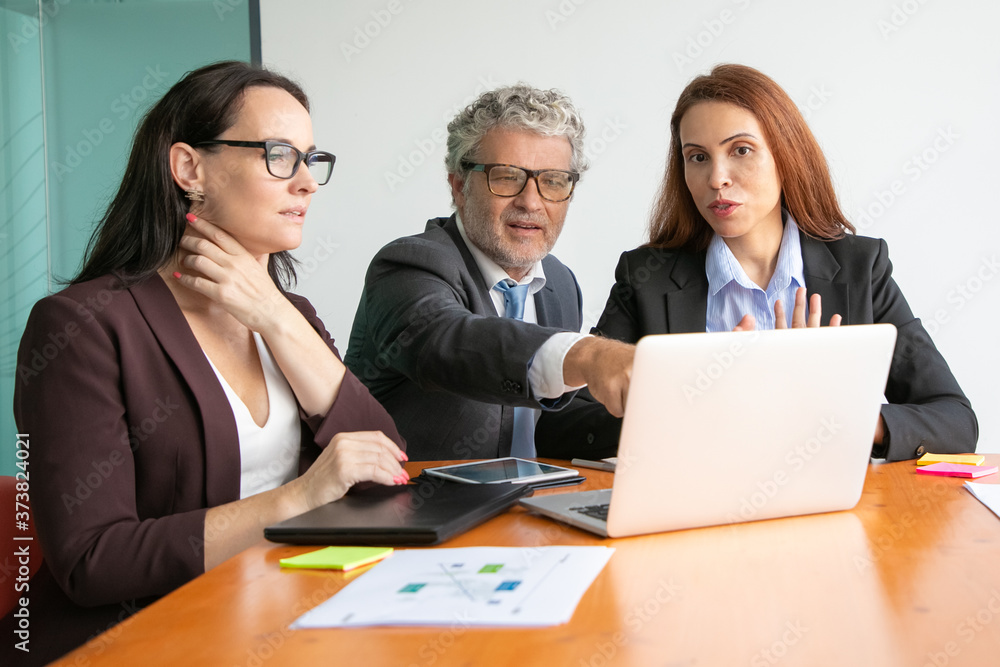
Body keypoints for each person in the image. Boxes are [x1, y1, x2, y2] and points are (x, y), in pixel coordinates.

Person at [6, 61, 406, 664]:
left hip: (279, 624)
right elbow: (90, 560)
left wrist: (273, 316)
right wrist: (297, 499)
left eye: (310, 159)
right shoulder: (82, 326)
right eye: (279, 155)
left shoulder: (290, 314)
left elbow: (384, 468)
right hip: (137, 645)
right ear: (189, 168)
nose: (307, 183)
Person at [535, 64, 977, 462]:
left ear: (786, 155)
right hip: (695, 508)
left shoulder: (861, 267)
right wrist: (686, 407)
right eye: (697, 157)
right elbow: (559, 427)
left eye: (741, 150)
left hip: (825, 505)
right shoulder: (646, 277)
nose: (717, 179)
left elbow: (955, 421)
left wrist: (847, 416)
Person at [345, 84, 633, 461]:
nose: (531, 202)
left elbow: (548, 428)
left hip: (532, 495)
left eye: (552, 181)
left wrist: (649, 419)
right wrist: (586, 355)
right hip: (416, 496)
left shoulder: (560, 284)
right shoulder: (407, 267)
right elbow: (453, 344)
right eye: (507, 176)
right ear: (459, 185)